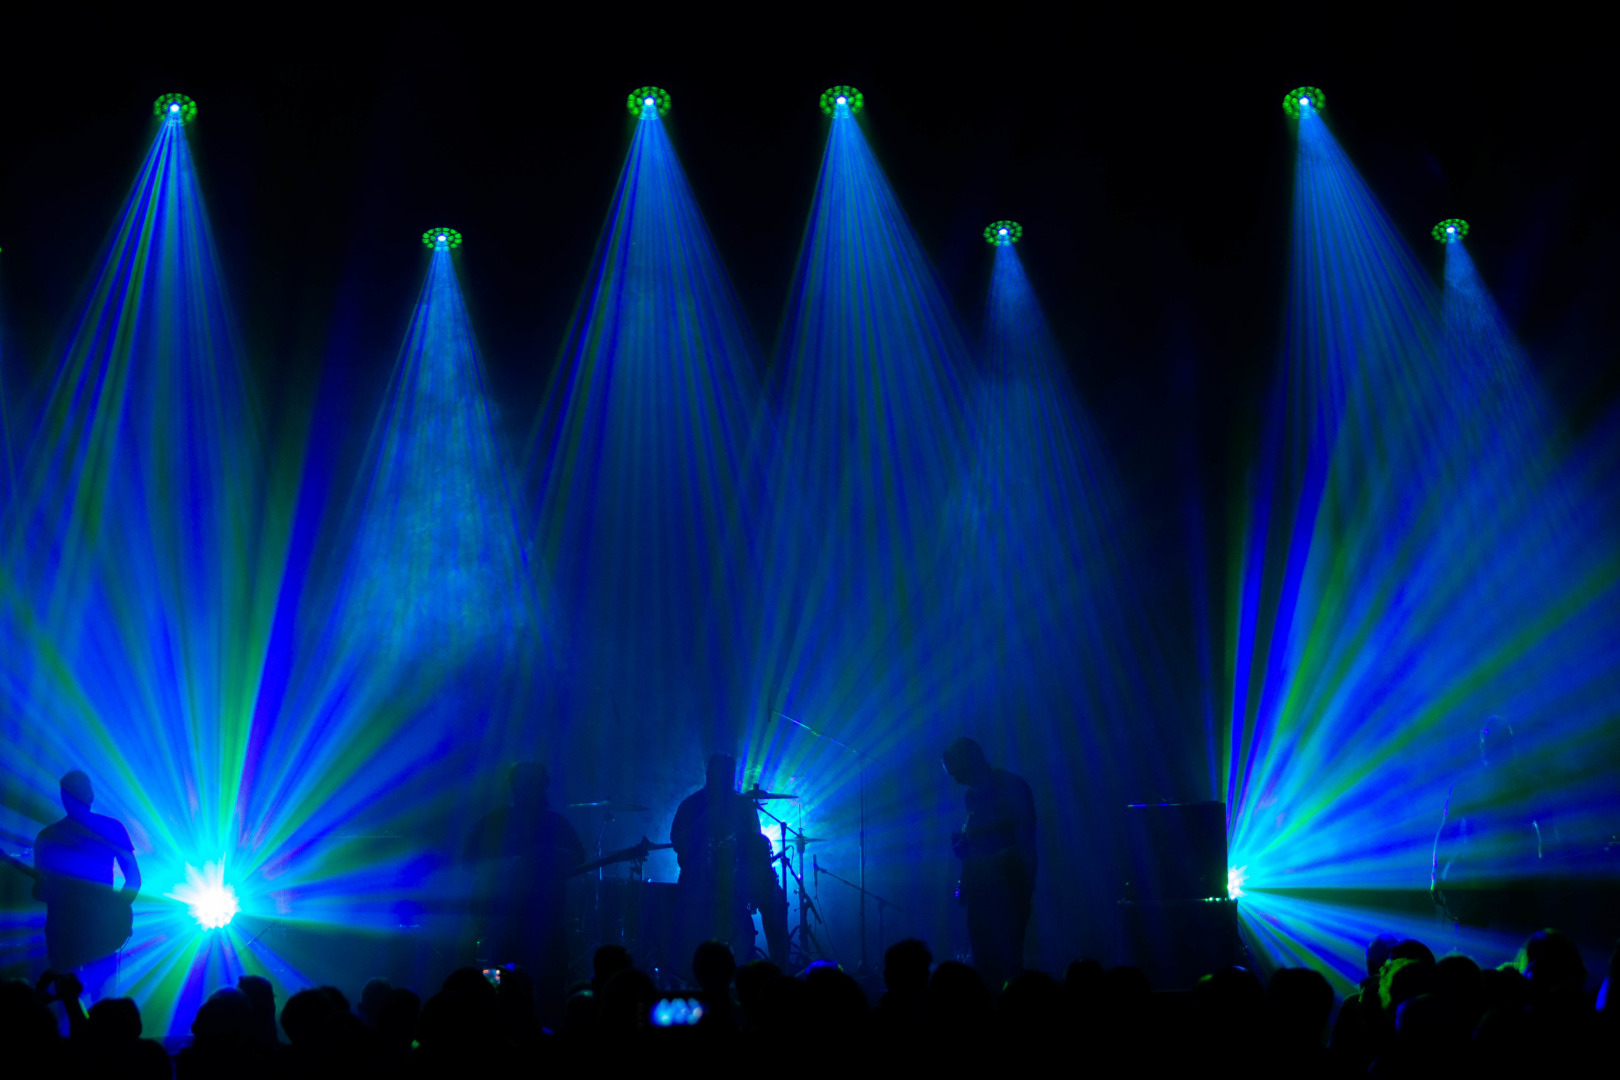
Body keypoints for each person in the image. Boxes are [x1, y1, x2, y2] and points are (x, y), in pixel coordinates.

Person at [462, 761, 584, 1016]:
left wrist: (552, 854)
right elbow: (470, 864)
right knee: (502, 991)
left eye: (535, 784)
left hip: (546, 924)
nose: (531, 790)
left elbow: (578, 858)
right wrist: (516, 863)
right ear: (515, 786)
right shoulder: (493, 823)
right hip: (504, 925)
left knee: (549, 989)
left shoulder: (556, 824)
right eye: (526, 784)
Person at [669, 753, 788, 967]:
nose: (724, 781)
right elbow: (677, 842)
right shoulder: (691, 805)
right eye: (719, 776)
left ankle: (779, 966)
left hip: (738, 876)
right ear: (709, 775)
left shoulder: (743, 805)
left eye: (728, 777)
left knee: (774, 899)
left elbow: (755, 842)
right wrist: (703, 824)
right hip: (700, 879)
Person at [32, 770, 140, 1000]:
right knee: (103, 1000)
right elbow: (134, 879)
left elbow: (41, 892)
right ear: (91, 795)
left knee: (67, 999)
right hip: (94, 931)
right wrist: (116, 911)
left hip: (64, 932)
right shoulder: (112, 828)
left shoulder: (48, 836)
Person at [1431, 719, 1547, 928]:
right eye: (1488, 743)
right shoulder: (1469, 786)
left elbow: (1543, 832)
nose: (1489, 748)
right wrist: (1436, 874)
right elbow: (1448, 830)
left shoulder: (1523, 785)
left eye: (1494, 743)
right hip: (1484, 883)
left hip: (1509, 882)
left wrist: (1437, 875)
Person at [943, 737, 1036, 995]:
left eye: (956, 772)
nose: (956, 779)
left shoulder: (1011, 787)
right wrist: (965, 872)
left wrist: (973, 855)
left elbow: (1023, 843)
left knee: (1007, 964)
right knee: (984, 965)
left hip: (1009, 891)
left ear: (969, 761)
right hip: (982, 892)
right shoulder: (972, 796)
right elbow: (977, 847)